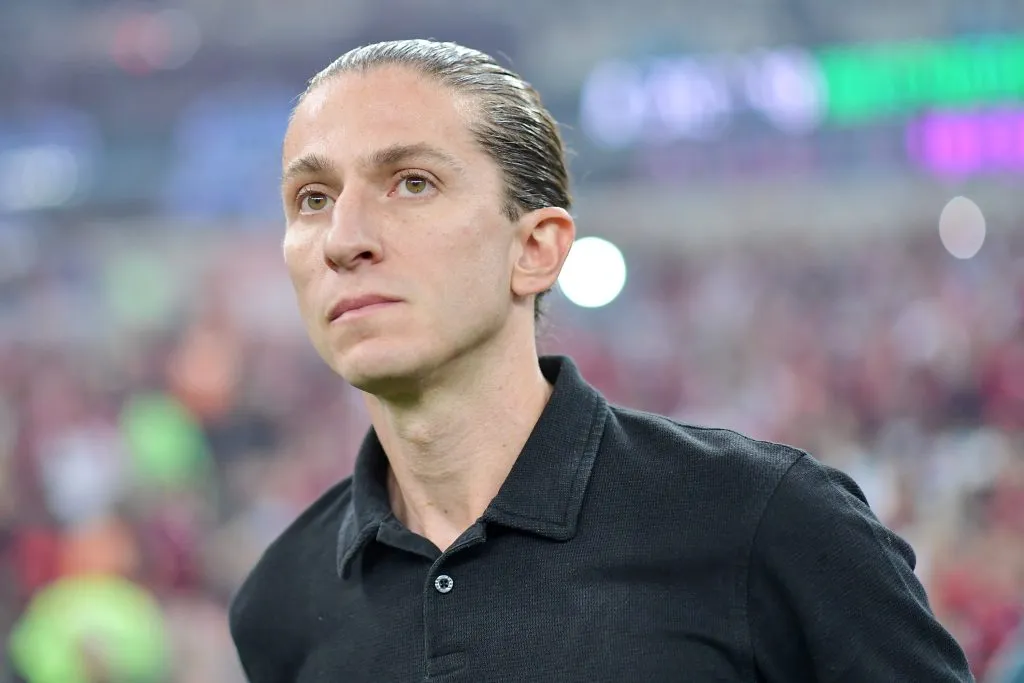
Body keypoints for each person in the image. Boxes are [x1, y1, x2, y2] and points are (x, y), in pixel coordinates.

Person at [228, 39, 975, 682]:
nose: (343, 237)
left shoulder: (766, 520)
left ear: (536, 248)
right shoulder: (281, 601)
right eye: (313, 197)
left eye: (412, 182)